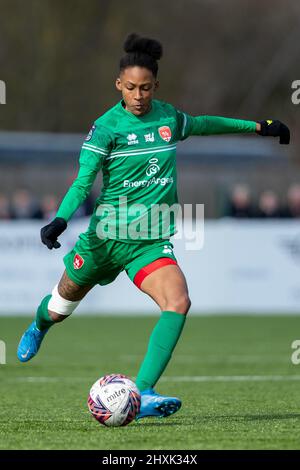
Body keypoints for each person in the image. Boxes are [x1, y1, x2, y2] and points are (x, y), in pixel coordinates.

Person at [17, 33, 290, 420]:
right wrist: (61, 219)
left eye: (145, 87)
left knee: (178, 302)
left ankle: (142, 392)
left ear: (155, 86)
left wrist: (258, 127)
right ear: (119, 86)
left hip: (148, 241)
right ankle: (40, 325)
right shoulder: (105, 128)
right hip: (105, 239)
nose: (139, 95)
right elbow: (83, 182)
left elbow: (204, 124)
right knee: (61, 306)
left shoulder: (168, 118)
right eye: (131, 87)